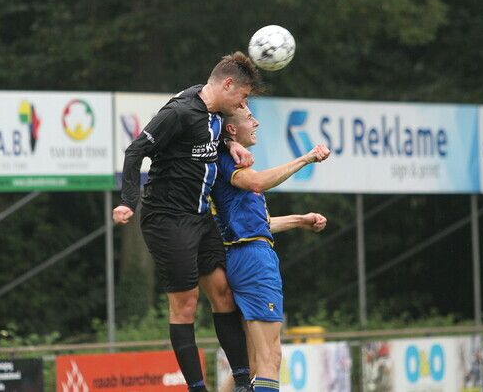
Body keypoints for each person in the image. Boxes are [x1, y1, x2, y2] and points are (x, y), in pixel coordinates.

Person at [112, 52, 261, 392]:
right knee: (186, 304)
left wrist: (229, 144)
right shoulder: (178, 112)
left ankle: (242, 382)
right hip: (167, 219)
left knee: (224, 293)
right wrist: (127, 202)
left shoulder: (213, 112)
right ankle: (197, 388)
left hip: (198, 216)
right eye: (243, 95)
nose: (243, 103)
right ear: (227, 84)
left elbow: (206, 138)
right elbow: (135, 151)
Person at [211, 106, 330, 392]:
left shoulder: (227, 159)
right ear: (231, 129)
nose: (256, 122)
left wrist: (300, 220)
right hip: (253, 260)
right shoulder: (229, 160)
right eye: (249, 118)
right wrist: (307, 157)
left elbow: (258, 225)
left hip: (242, 254)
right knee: (270, 357)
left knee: (251, 364)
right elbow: (259, 182)